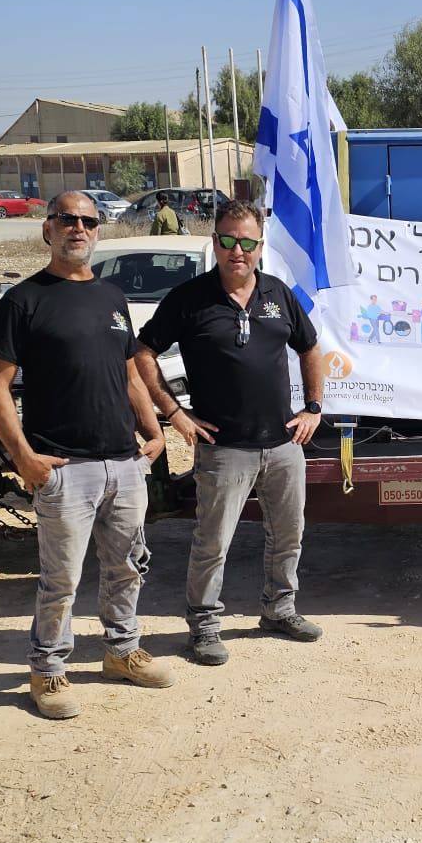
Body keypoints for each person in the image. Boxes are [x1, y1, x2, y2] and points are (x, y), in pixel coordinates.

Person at [0, 192, 173, 719]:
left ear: (98, 232)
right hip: (63, 467)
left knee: (126, 568)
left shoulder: (112, 296)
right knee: (61, 578)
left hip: (123, 462)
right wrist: (24, 457)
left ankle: (123, 652)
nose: (79, 228)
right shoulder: (24, 301)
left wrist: (153, 434)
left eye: (89, 221)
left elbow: (129, 373)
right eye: (68, 219)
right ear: (49, 229)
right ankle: (47, 669)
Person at [135, 200, 326, 666]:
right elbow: (142, 353)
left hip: (282, 445)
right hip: (223, 450)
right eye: (226, 241)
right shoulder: (189, 298)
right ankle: (203, 626)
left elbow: (312, 348)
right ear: (215, 242)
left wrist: (314, 409)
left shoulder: (278, 294)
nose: (236, 251)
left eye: (246, 242)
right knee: (212, 543)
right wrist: (175, 413)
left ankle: (279, 610)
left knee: (289, 535)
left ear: (260, 246)